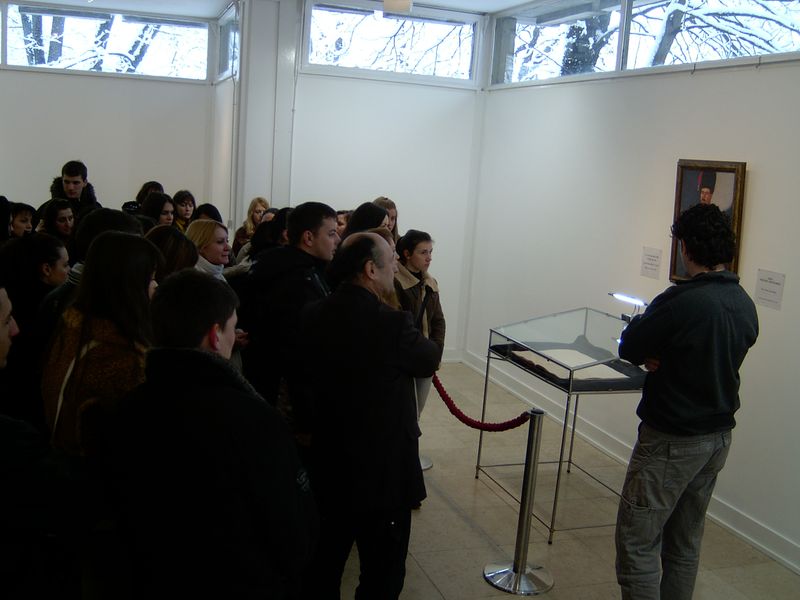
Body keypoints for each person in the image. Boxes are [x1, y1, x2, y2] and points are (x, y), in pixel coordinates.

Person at [109, 269, 316, 599]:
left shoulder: (125, 409)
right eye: (232, 327)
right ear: (215, 335)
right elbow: (289, 526)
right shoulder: (252, 419)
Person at [615, 203, 758, 600]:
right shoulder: (743, 302)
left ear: (685, 247)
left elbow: (630, 345)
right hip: (717, 437)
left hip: (672, 439)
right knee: (684, 543)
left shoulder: (681, 300)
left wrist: (652, 348)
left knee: (637, 544)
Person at [301, 232, 439, 599]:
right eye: (391, 259)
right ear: (369, 269)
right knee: (382, 574)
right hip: (383, 471)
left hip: (330, 462)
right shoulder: (391, 323)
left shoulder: (314, 313)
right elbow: (429, 358)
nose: (395, 266)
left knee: (325, 565)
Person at [42, 232, 162, 457]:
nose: (155, 286)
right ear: (128, 284)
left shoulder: (77, 324)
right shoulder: (117, 356)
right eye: (150, 278)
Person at [239, 202, 339, 432]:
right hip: (288, 395)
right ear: (308, 237)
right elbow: (295, 348)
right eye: (331, 233)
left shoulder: (304, 270)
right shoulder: (294, 280)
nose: (337, 240)